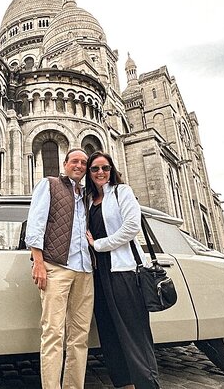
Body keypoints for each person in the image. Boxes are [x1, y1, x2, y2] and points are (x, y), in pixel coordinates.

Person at [84, 151, 160, 389]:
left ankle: (147, 384)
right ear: (89, 173)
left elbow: (131, 228)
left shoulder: (121, 192)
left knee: (134, 333)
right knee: (109, 334)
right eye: (95, 169)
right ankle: (124, 385)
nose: (100, 173)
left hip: (123, 270)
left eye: (104, 168)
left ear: (111, 169)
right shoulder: (87, 200)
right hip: (98, 273)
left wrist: (99, 245)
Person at [25, 148, 94, 389]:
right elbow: (36, 221)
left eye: (84, 163)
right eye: (74, 161)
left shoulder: (87, 195)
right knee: (53, 333)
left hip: (85, 270)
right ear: (65, 164)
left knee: (79, 337)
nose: (79, 165)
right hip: (57, 267)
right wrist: (38, 262)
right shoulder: (50, 184)